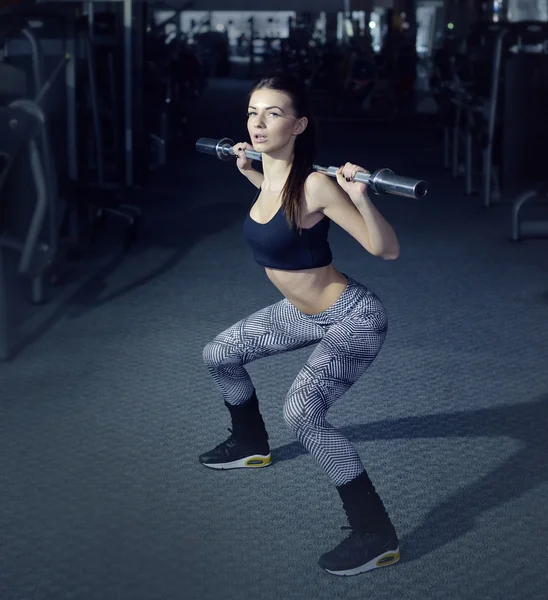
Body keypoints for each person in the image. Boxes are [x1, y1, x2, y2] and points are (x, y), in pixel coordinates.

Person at [199, 74, 401, 577]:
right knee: (218, 354)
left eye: (272, 113)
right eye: (252, 112)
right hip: (300, 313)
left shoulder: (315, 184)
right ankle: (250, 444)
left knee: (303, 413)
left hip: (351, 319)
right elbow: (278, 216)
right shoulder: (267, 172)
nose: (258, 122)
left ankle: (375, 533)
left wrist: (359, 195)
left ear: (299, 124)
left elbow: (386, 249)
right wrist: (250, 169)